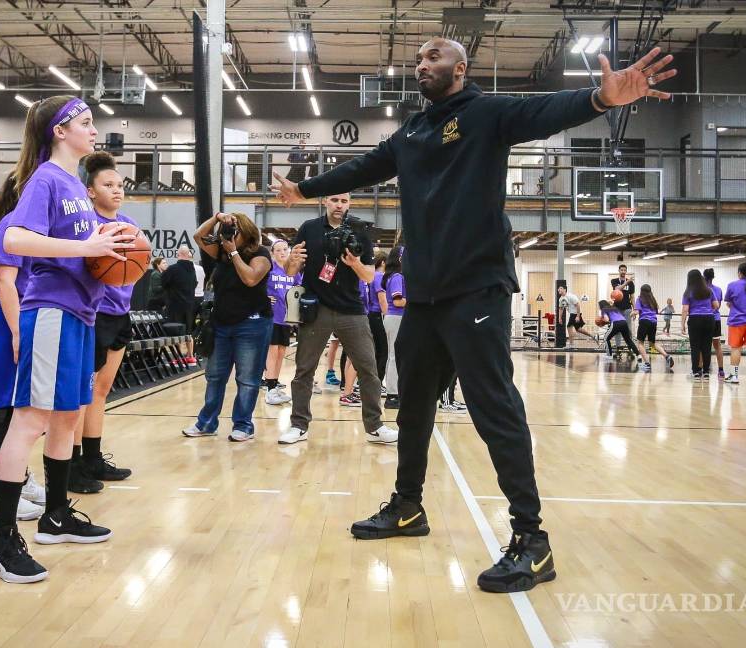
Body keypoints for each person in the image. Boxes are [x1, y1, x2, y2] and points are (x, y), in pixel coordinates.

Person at [271, 35, 675, 592]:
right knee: (411, 406)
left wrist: (601, 101)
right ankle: (408, 507)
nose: (422, 64)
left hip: (477, 290)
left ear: (461, 68)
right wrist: (304, 190)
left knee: (495, 410)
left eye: (433, 57)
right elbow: (362, 167)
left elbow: (544, 111)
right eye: (417, 59)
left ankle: (532, 541)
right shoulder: (411, 133)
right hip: (426, 297)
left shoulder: (487, 114)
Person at [0, 96, 134, 584]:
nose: (95, 130)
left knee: (67, 415)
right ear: (60, 131)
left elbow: (86, 254)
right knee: (30, 420)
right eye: (86, 123)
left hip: (82, 314)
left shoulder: (75, 188)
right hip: (50, 310)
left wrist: (110, 249)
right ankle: (1, 541)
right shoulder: (45, 178)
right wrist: (88, 245)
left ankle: (56, 514)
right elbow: (16, 240)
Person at [275, 192, 397, 446]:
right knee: (304, 370)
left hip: (352, 310)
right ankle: (298, 425)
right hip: (315, 309)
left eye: (343, 201)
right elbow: (290, 270)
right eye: (334, 200)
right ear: (326, 202)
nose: (339, 205)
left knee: (369, 369)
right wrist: (290, 262)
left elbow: (367, 277)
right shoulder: (308, 228)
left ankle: (374, 426)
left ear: (349, 204)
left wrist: (353, 263)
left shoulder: (359, 232)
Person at [181, 213, 273, 441]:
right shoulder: (220, 252)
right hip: (222, 323)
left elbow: (250, 279)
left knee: (247, 378)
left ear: (248, 232)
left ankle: (243, 425)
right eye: (227, 230)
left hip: (252, 324)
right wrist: (215, 219)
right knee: (215, 375)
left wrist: (232, 251)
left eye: (235, 230)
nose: (229, 234)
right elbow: (198, 235)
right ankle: (206, 423)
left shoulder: (261, 254)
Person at [0, 208, 45, 523]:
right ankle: (2, 494)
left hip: (28, 317)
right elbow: (5, 283)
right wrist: (18, 330)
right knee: (11, 410)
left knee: (27, 410)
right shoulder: (10, 226)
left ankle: (21, 477)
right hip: (11, 320)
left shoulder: (38, 227)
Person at [78, 151, 135, 485]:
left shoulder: (129, 224)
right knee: (83, 393)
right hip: (94, 314)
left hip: (120, 314)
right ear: (90, 190)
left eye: (120, 184)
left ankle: (93, 459)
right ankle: (74, 465)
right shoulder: (87, 226)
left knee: (101, 391)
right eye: (108, 184)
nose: (117, 190)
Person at [263, 239, 300, 406]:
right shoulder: (268, 268)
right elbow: (255, 285)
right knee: (272, 351)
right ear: (272, 253)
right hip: (271, 316)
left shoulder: (293, 270)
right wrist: (263, 298)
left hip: (286, 317)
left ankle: (275, 384)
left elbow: (298, 289)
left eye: (285, 249)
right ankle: (269, 388)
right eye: (278, 250)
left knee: (281, 352)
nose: (282, 252)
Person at [161, 245, 197, 364]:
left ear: (178, 255)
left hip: (175, 305)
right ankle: (190, 356)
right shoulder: (193, 270)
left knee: (176, 331)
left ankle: (177, 358)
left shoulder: (173, 269)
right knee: (188, 331)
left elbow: (164, 283)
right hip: (190, 304)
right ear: (188, 255)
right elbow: (195, 284)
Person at [682, 269, 719, 382]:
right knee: (707, 347)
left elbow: (685, 309)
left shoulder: (688, 292)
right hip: (709, 319)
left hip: (694, 319)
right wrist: (708, 311)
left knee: (695, 347)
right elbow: (716, 305)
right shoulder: (709, 290)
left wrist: (682, 324)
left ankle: (696, 372)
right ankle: (706, 372)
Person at [381, 246, 405, 409]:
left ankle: (396, 391)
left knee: (396, 356)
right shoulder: (397, 277)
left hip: (396, 318)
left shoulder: (397, 276)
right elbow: (398, 301)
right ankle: (392, 394)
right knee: (394, 357)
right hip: (396, 316)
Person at [599, 300, 650, 370]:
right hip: (624, 322)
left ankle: (609, 356)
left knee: (606, 338)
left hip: (616, 323)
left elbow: (607, 319)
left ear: (601, 306)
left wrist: (601, 320)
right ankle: (639, 355)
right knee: (628, 340)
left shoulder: (604, 310)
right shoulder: (614, 308)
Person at [635, 284, 672, 370]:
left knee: (640, 343)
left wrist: (632, 313)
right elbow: (656, 311)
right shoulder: (653, 300)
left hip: (644, 321)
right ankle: (666, 356)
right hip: (653, 322)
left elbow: (637, 311)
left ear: (641, 291)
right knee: (652, 343)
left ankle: (647, 364)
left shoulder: (640, 298)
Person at [367, 251, 389, 379]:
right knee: (383, 350)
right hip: (377, 315)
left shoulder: (371, 275)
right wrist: (387, 316)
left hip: (371, 314)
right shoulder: (379, 276)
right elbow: (382, 298)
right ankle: (378, 380)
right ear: (383, 262)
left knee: (375, 350)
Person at [703, 267, 725, 380]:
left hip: (705, 319)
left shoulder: (701, 289)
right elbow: (718, 306)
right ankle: (721, 370)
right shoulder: (719, 289)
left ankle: (701, 370)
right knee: (717, 346)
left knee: (703, 346)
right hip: (716, 319)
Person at [611, 264, 636, 334]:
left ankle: (630, 344)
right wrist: (627, 282)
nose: (623, 271)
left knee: (628, 328)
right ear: (619, 271)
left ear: (626, 271)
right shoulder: (614, 281)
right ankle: (618, 345)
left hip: (627, 308)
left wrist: (635, 310)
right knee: (617, 328)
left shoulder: (631, 283)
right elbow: (617, 289)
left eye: (624, 270)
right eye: (621, 270)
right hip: (616, 308)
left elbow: (632, 297)